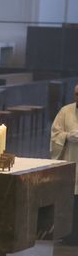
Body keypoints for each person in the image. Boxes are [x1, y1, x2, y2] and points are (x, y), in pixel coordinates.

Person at [50, 84, 78, 220]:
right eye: (77, 94)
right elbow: (55, 134)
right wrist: (67, 136)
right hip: (70, 160)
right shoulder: (65, 111)